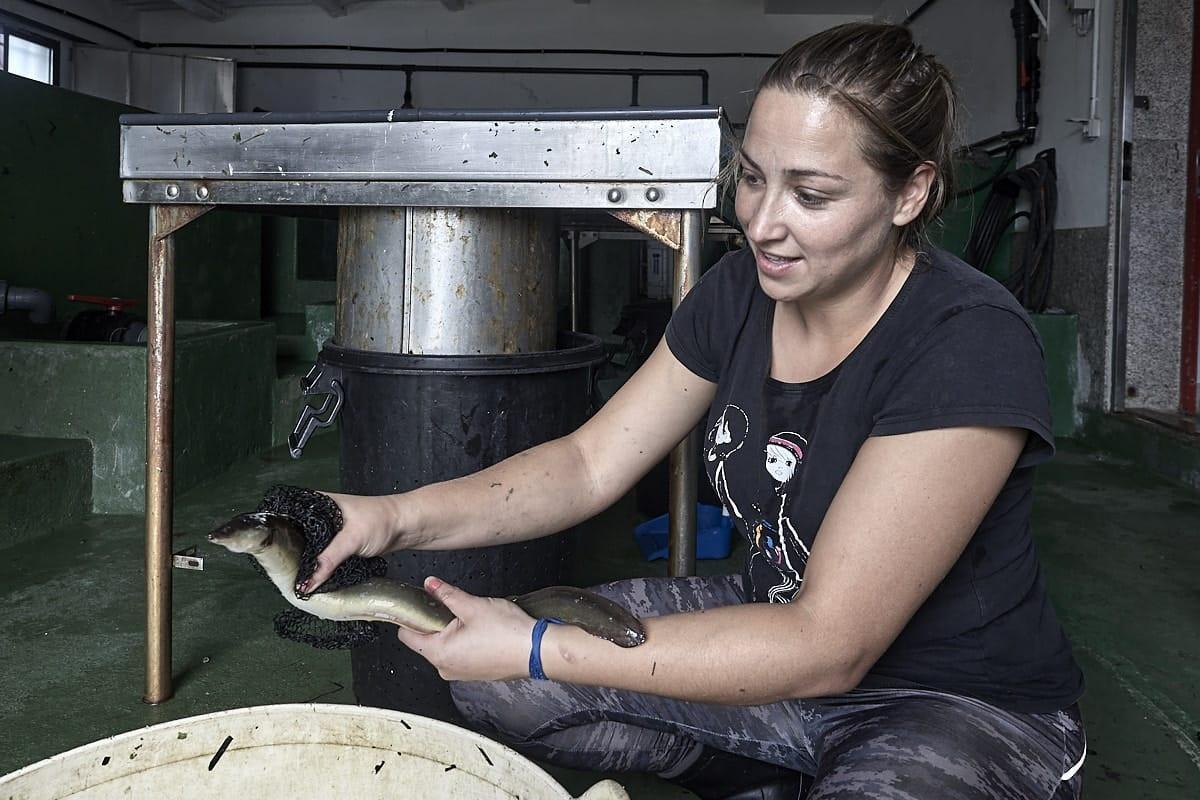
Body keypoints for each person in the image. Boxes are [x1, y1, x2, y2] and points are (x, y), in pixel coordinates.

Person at [303, 22, 1086, 800]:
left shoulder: (964, 340)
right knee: (501, 683)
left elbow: (829, 645)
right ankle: (771, 775)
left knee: (526, 656)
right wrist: (389, 517)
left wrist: (541, 644)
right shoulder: (743, 290)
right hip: (778, 627)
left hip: (955, 703)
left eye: (811, 195)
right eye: (751, 178)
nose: (763, 222)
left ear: (909, 192)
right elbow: (586, 464)